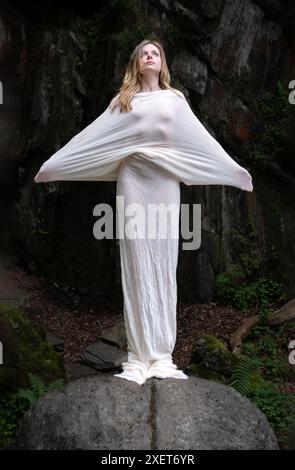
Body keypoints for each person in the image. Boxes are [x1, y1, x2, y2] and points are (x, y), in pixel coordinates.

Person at [34, 38, 253, 386]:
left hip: (165, 184)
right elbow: (92, 137)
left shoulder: (175, 100)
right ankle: (137, 356)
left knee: (164, 261)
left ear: (162, 62)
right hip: (133, 181)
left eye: (155, 53)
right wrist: (56, 164)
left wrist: (232, 170)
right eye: (143, 54)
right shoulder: (124, 101)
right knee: (136, 262)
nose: (150, 56)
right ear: (137, 64)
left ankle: (162, 354)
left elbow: (201, 141)